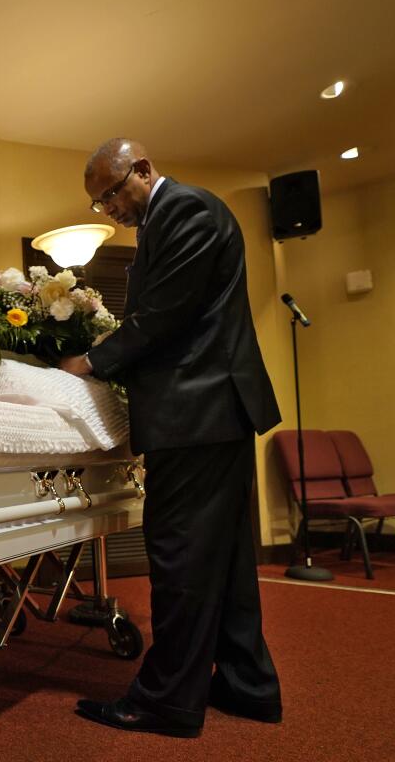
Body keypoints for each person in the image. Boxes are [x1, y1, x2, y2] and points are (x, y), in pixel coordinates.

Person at [60, 138, 283, 738]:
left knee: (179, 555)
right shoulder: (177, 214)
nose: (108, 208)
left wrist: (91, 362)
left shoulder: (183, 209)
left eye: (111, 193)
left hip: (196, 412)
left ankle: (165, 702)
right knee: (226, 558)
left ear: (144, 169)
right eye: (99, 203)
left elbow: (163, 318)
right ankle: (247, 685)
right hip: (215, 412)